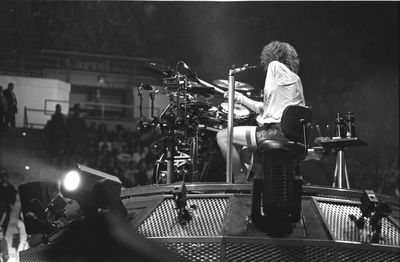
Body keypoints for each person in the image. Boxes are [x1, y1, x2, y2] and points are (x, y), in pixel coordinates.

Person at [216, 41, 305, 182]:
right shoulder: (295, 80)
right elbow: (266, 107)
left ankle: (238, 179)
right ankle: (243, 184)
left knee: (222, 136)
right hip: (291, 135)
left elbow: (266, 106)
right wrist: (240, 98)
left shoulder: (274, 66)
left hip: (276, 133)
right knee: (245, 143)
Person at [0, 169, 17, 235]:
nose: (5, 178)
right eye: (3, 177)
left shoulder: (11, 187)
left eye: (6, 177)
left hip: (7, 208)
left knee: (5, 223)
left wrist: (12, 204)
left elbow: (14, 195)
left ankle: (2, 236)